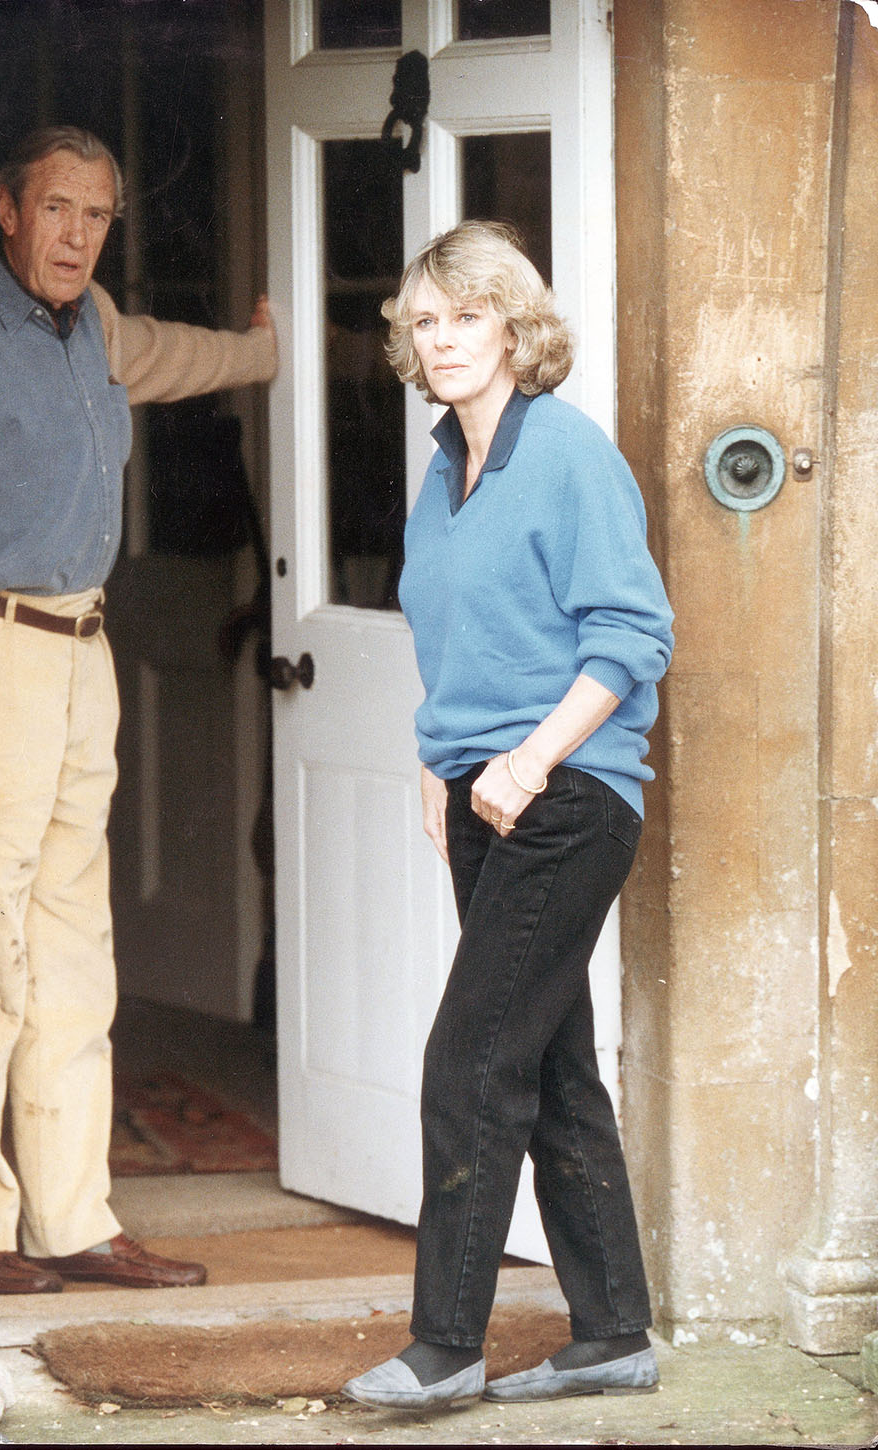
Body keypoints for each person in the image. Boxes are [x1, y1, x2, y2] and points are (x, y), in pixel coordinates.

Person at [342, 221, 674, 1410]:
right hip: (485, 795)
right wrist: (440, 760)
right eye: (423, 322)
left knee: (470, 1057)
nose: (440, 340)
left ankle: (444, 1347)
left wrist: (525, 763)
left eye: (466, 317)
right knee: (552, 1063)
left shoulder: (568, 455)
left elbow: (633, 637)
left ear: (516, 328)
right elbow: (459, 638)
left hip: (568, 793)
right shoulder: (444, 471)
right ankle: (613, 1332)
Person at [0, 125, 277, 1296]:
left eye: (98, 215)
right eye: (57, 210)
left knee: (72, 950)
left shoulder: (93, 324)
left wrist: (265, 348)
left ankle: (72, 1219)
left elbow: (178, 357)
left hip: (81, 653)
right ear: (8, 209)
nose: (77, 235)